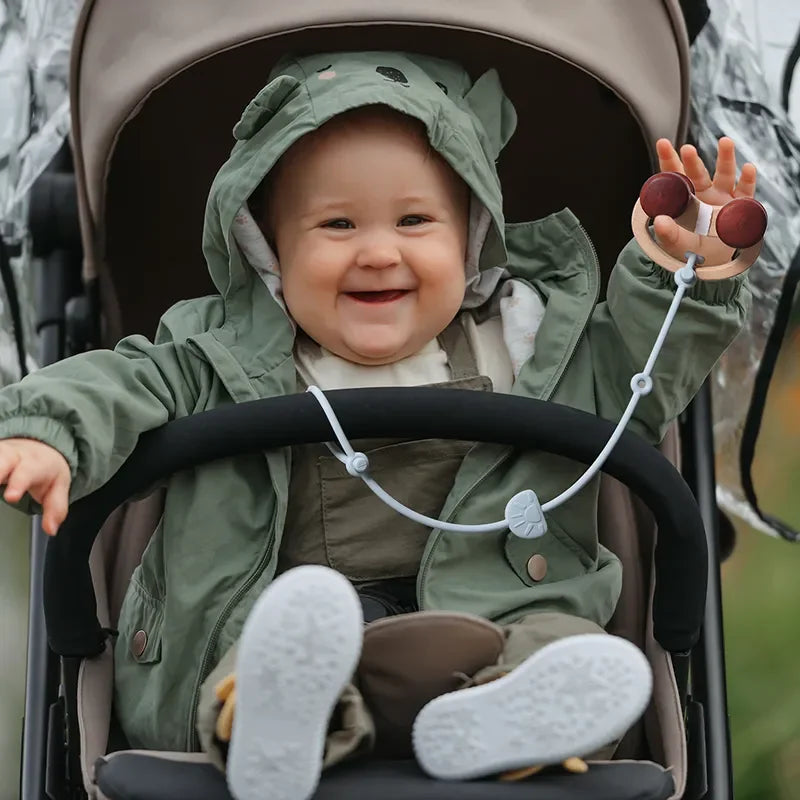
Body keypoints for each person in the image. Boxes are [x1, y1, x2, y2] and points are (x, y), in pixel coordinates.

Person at [0, 52, 754, 800]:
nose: (379, 252)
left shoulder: (531, 345)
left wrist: (686, 271)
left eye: (415, 221)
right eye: (337, 224)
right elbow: (118, 382)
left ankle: (515, 722)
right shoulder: (218, 357)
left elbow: (639, 373)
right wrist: (46, 430)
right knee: (272, 641)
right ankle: (270, 723)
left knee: (563, 645)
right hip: (297, 628)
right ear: (270, 252)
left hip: (489, 635)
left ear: (469, 238)